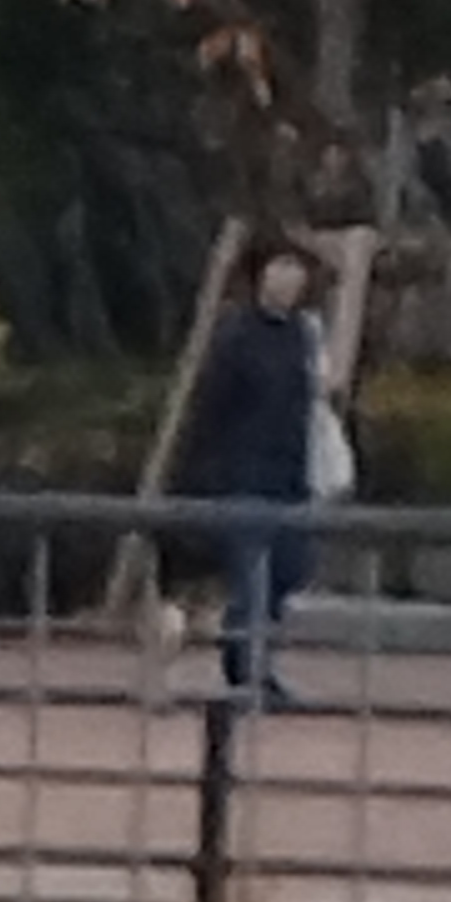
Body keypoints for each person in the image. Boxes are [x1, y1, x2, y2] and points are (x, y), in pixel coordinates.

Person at [172, 239, 323, 707]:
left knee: (289, 570)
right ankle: (249, 671)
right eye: (280, 267)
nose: (289, 278)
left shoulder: (303, 335)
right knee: (252, 577)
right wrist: (199, 473)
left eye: (296, 269)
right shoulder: (235, 335)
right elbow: (209, 408)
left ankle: (251, 657)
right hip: (242, 475)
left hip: (290, 477)